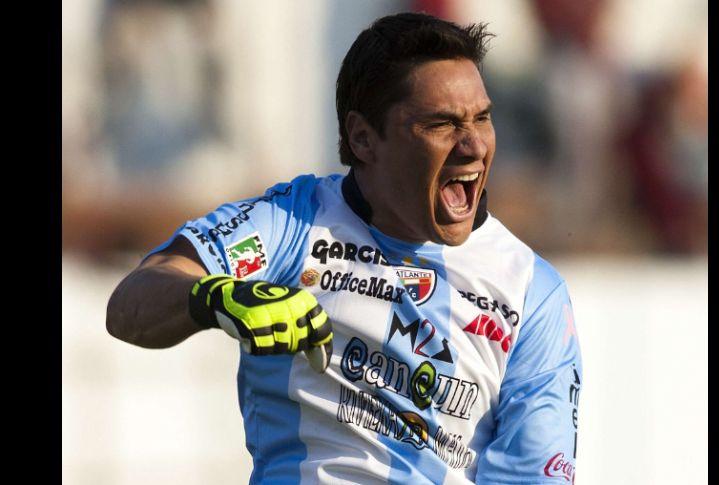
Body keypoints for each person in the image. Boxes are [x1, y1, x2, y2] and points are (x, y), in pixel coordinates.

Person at [106, 12, 582, 484]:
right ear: (362, 138)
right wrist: (215, 297)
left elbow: (534, 475)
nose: (474, 145)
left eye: (483, 118)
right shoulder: (295, 221)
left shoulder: (531, 291)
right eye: (442, 124)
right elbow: (132, 303)